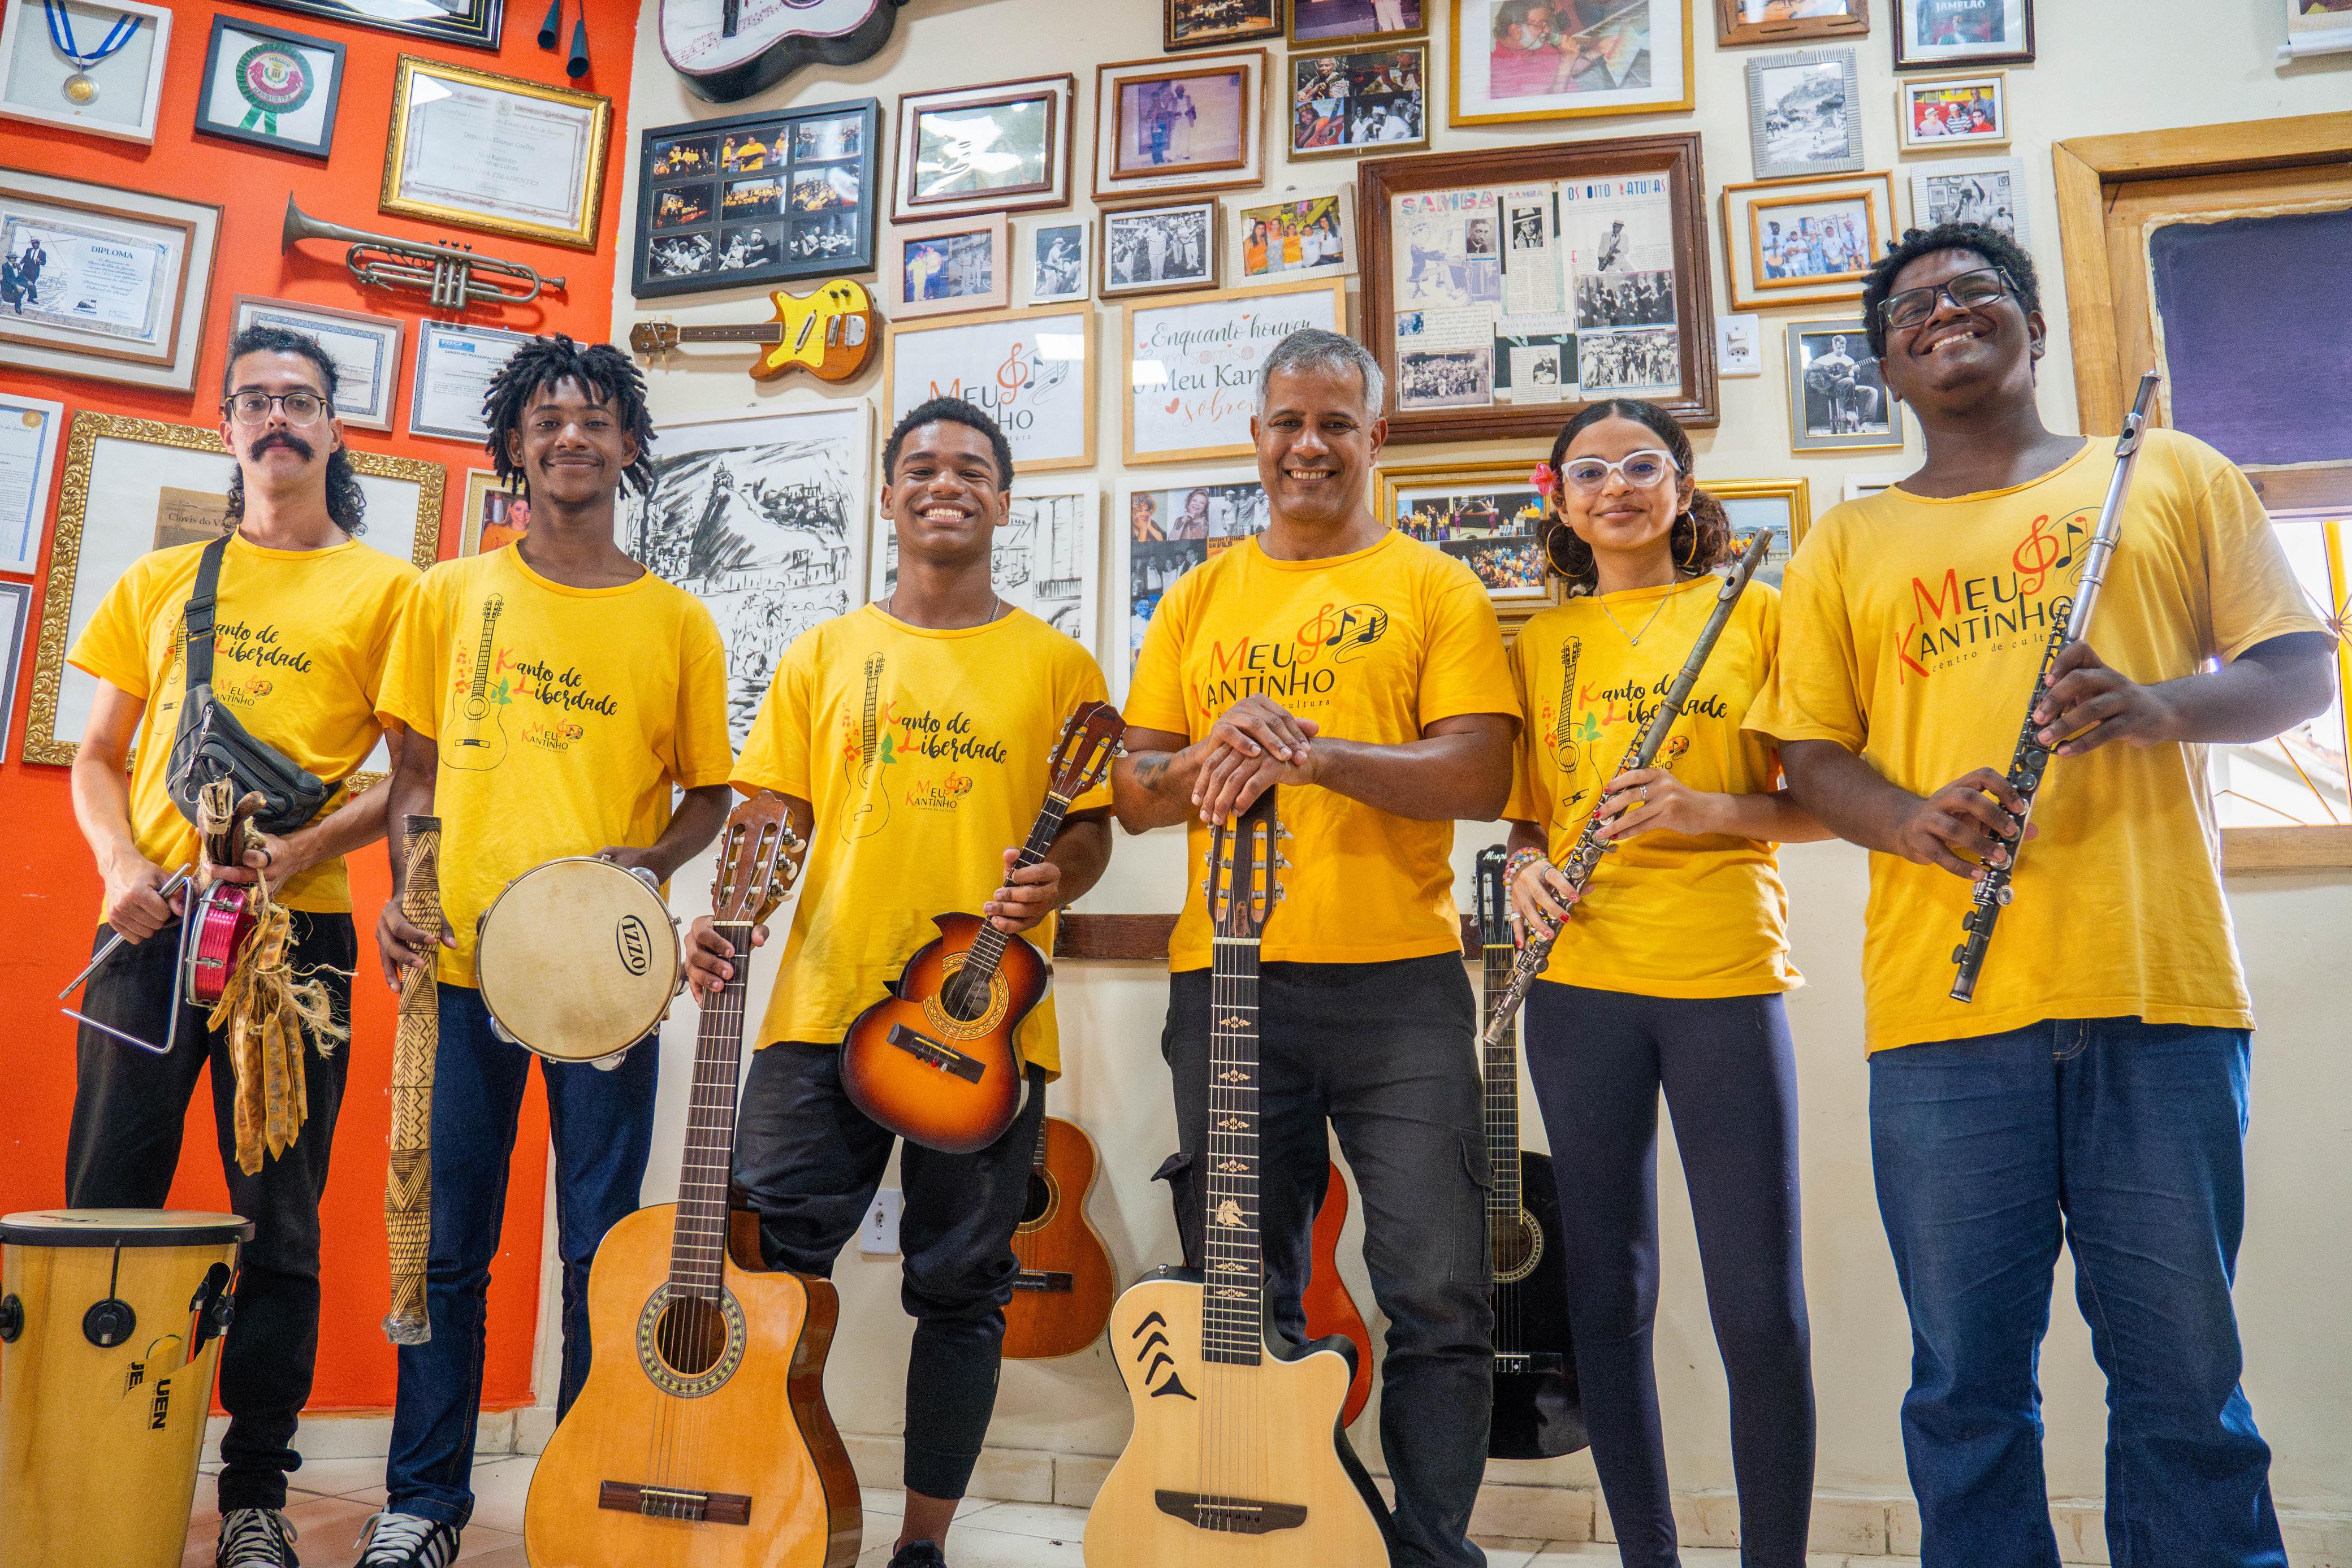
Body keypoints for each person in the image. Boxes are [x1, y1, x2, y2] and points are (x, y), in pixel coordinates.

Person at [1745, 223, 2336, 1568]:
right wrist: (1907, 817)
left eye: (1974, 292)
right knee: (1964, 1387)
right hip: (1944, 1016)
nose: (1944, 313)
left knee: (2185, 1387)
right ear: (1885, 363)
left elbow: (2298, 670)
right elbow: (1810, 758)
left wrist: (2156, 707)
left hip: (2158, 989)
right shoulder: (1845, 543)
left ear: (2031, 324)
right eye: (1911, 308)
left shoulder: (2174, 475)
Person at [681, 397, 1113, 1568]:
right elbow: (770, 818)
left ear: (1004, 501)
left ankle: (922, 1541)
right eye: (919, 466)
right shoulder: (823, 654)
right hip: (819, 1006)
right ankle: (765, 1502)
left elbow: (1093, 836)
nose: (944, 482)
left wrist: (1054, 881)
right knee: (763, 1270)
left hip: (987, 1028)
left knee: (964, 1288)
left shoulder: (1058, 663)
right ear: (886, 496)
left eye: (971, 468)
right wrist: (722, 923)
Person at [1112, 328, 1519, 1568]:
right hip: (1228, 980)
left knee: (1440, 1297)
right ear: (1256, 438)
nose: (1309, 445)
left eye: (1336, 422)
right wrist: (1206, 753)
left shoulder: (1433, 587)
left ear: (1374, 438)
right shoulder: (1196, 594)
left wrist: (1312, 751)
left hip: (1399, 989)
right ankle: (1311, 1529)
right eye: (1288, 421)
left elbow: (1481, 769)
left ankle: (1430, 1552)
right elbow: (1133, 792)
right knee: (1247, 1303)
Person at [361, 337, 735, 1568]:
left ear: (629, 446)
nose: (569, 435)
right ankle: (423, 1503)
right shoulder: (446, 596)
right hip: (460, 971)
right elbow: (411, 774)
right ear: (512, 446)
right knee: (450, 1245)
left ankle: (582, 1487)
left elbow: (708, 796)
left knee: (599, 1246)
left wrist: (649, 871)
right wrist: (400, 894)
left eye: (593, 419)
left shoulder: (677, 619)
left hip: (605, 989)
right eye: (545, 418)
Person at [63, 323, 419, 1568]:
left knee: (279, 1219)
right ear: (228, 428)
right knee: (104, 1200)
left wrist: (300, 855)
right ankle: (79, 1464)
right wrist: (118, 869)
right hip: (147, 928)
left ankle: (256, 1492)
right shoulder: (162, 583)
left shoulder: (389, 593)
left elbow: (409, 777)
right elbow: (98, 755)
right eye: (258, 400)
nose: (279, 418)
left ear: (332, 428)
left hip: (297, 955)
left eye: (303, 400)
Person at [1507, 400, 1830, 1568]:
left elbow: (1819, 799)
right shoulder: (1540, 646)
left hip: (1722, 976)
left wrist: (1706, 812)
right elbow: (1522, 819)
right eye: (1589, 471)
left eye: (1643, 464)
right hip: (1579, 983)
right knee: (1605, 1295)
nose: (1618, 486)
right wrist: (1527, 864)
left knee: (1759, 1308)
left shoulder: (1756, 611)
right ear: (1559, 497)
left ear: (1683, 487)